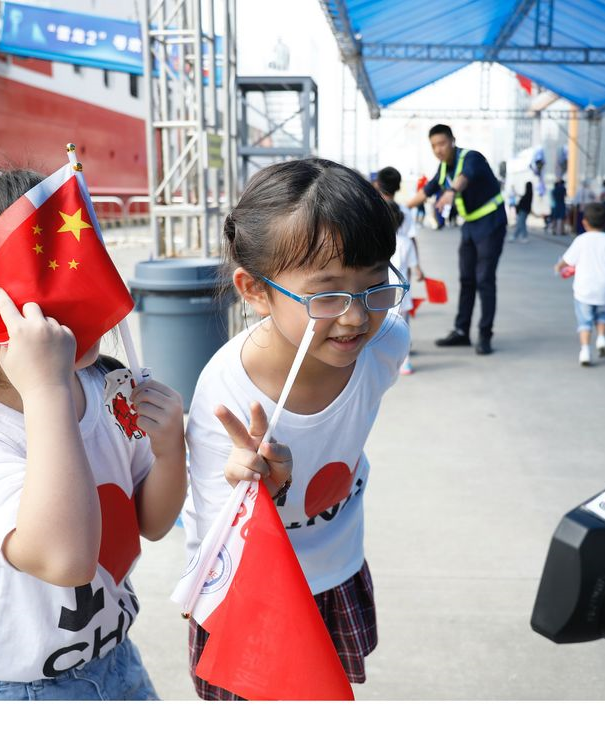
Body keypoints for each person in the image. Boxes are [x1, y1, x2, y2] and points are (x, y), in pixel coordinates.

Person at [0, 168, 191, 700]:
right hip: (11, 692)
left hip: (114, 659)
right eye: (47, 293)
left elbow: (151, 523)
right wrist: (47, 390)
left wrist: (168, 452)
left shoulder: (108, 389)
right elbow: (65, 559)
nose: (80, 311)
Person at [182, 158, 410, 700]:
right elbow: (219, 537)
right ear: (254, 290)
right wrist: (251, 487)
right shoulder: (229, 395)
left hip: (335, 565)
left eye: (375, 284)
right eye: (326, 294)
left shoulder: (385, 345)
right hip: (253, 589)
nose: (355, 317)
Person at [405, 123, 507, 355]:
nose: (438, 149)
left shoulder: (472, 158)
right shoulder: (443, 169)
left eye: (442, 143)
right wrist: (395, 207)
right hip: (470, 226)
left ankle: (485, 335)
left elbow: (465, 177)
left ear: (452, 141)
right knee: (467, 279)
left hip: (491, 223)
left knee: (484, 279)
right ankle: (462, 331)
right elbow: (427, 191)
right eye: (434, 146)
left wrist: (451, 191)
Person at [554, 202, 605, 366]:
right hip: (603, 290)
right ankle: (601, 339)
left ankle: (585, 351)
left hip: (584, 291)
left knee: (584, 322)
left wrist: (558, 266)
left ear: (584, 222)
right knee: (602, 317)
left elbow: (567, 260)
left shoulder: (581, 240)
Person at [376, 165, 425, 375]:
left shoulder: (374, 210)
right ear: (398, 186)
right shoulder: (405, 213)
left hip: (380, 280)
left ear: (378, 184)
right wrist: (417, 268)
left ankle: (385, 355)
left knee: (382, 319)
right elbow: (412, 240)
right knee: (403, 320)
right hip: (403, 279)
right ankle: (405, 357)